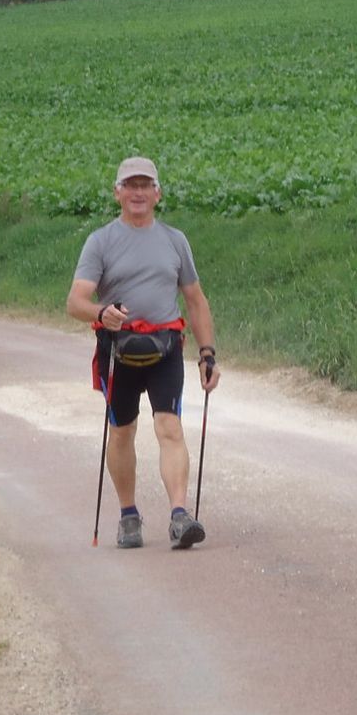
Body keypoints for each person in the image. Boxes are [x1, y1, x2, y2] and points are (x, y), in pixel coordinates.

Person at [67, 156, 221, 550]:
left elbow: (196, 301)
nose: (138, 193)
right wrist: (102, 313)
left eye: (145, 185)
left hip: (165, 348)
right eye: (130, 185)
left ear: (158, 193)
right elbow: (75, 302)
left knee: (169, 427)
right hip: (118, 350)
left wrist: (207, 353)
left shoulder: (175, 240)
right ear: (118, 192)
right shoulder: (100, 241)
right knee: (122, 432)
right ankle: (128, 516)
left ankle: (179, 515)